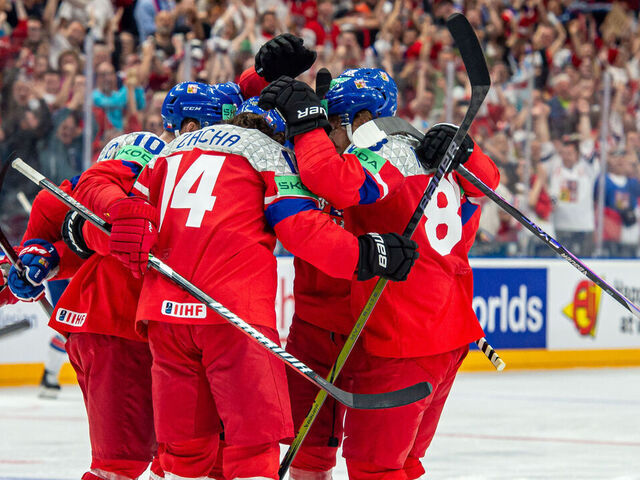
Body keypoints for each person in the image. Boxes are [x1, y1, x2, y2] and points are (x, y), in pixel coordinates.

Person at [104, 82, 418, 479]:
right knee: (253, 449)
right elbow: (302, 230)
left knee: (184, 452)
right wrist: (366, 256)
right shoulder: (268, 153)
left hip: (165, 319)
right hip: (233, 318)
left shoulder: (168, 153)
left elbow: (130, 219)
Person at [260, 66, 500, 479]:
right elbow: (482, 193)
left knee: (376, 468)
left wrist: (306, 130)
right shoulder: (426, 158)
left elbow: (330, 182)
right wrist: (470, 155)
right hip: (413, 332)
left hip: (394, 338)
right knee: (389, 464)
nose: (328, 130)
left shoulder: (382, 158)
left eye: (332, 120)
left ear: (357, 120)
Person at [8, 129, 167, 480]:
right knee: (124, 462)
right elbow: (42, 255)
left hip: (139, 332)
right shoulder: (81, 195)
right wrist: (30, 271)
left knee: (173, 454)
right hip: (115, 330)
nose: (134, 176)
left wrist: (42, 262)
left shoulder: (79, 194)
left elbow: (67, 247)